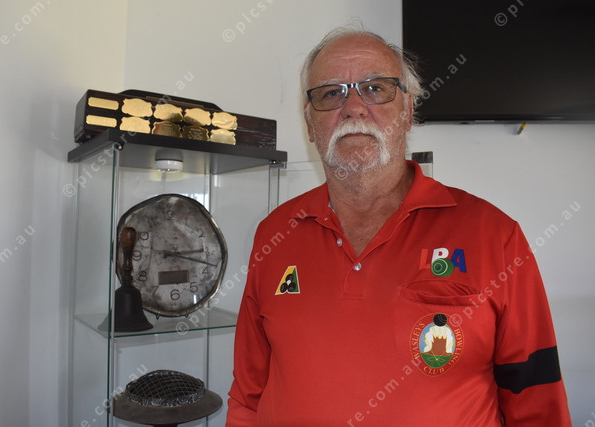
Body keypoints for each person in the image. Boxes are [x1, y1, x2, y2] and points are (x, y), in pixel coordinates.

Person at [226, 25, 571, 426]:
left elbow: (538, 402)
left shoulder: (495, 236)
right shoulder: (275, 234)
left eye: (375, 88)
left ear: (407, 111)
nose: (353, 107)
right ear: (309, 122)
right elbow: (247, 395)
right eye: (331, 93)